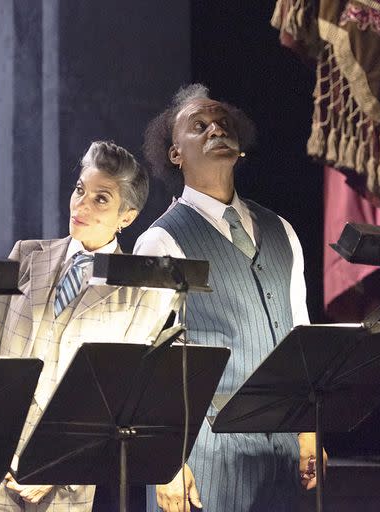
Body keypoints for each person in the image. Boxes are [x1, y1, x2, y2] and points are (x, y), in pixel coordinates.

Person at [134, 84, 325, 512]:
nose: (215, 128)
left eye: (223, 122)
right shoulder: (161, 240)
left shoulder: (283, 231)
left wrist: (310, 430)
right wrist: (164, 464)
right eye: (198, 126)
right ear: (175, 154)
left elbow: (300, 338)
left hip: (282, 455)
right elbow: (149, 364)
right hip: (205, 460)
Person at [0, 141, 162, 511]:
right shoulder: (26, 256)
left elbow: (116, 396)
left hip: (64, 481)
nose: (82, 205)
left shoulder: (139, 291)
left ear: (128, 216)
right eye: (79, 190)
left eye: (101, 199)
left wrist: (55, 466)